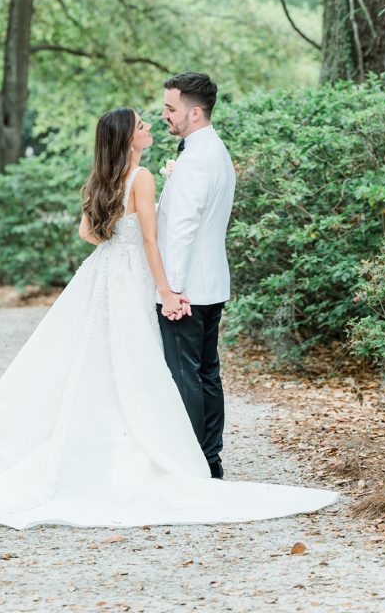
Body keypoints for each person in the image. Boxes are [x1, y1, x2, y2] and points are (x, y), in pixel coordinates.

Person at [0, 107, 336, 528]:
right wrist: (166, 289)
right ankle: (154, 451)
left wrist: (120, 240)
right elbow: (155, 240)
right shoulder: (144, 176)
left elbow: (88, 235)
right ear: (128, 138)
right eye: (142, 124)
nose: (150, 126)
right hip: (134, 274)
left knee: (95, 356)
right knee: (133, 360)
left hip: (103, 272)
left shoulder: (105, 176)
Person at [157, 72, 235, 481]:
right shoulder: (216, 151)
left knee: (187, 374)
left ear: (195, 111)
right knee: (206, 372)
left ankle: (195, 463)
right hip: (211, 284)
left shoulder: (196, 159)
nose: (164, 115)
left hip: (188, 290)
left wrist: (172, 289)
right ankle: (210, 460)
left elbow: (182, 228)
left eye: (171, 108)